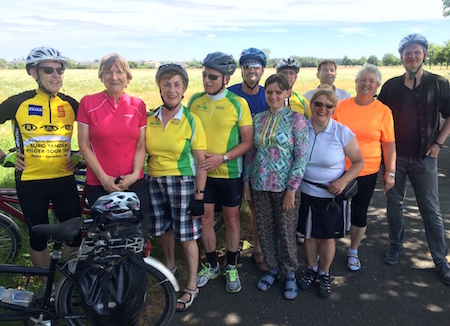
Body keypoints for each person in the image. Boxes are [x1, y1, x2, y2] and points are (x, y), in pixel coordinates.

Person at [0, 47, 81, 284]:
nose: (56, 75)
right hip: (31, 183)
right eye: (49, 70)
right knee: (38, 239)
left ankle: (67, 284)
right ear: (33, 72)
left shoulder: (69, 103)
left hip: (64, 180)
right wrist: (4, 157)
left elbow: (95, 131)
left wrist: (79, 155)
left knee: (74, 237)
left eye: (60, 70)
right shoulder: (19, 102)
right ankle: (49, 290)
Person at [377, 33, 450, 285]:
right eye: (407, 52)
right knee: (394, 205)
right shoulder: (391, 86)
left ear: (425, 54)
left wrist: (439, 143)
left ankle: (440, 259)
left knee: (430, 209)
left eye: (417, 52)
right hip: (395, 159)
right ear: (402, 57)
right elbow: (379, 118)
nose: (412, 56)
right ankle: (396, 245)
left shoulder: (439, 84)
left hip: (424, 158)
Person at [188, 52, 253, 293]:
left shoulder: (238, 103)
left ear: (226, 79)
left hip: (229, 174)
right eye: (204, 75)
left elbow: (247, 142)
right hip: (203, 174)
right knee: (205, 219)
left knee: (232, 219)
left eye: (212, 77)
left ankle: (232, 266)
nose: (206, 80)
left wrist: (222, 158)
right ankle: (213, 264)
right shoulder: (195, 100)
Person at [146, 63, 207, 311]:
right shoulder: (149, 119)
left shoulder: (191, 120)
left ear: (184, 89)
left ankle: (191, 285)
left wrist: (199, 196)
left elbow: (202, 162)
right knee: (163, 230)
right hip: (153, 180)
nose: (172, 89)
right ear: (159, 87)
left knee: (187, 235)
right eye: (166, 84)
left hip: (182, 181)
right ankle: (170, 269)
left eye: (177, 85)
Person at [243, 73, 308, 300]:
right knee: (265, 228)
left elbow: (301, 158)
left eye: (278, 92)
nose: (273, 96)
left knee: (287, 231)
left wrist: (292, 189)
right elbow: (251, 154)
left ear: (287, 93)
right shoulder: (258, 119)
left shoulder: (296, 120)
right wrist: (246, 184)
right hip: (260, 184)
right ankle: (272, 267)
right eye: (269, 92)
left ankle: (289, 272)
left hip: (285, 187)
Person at [297, 87, 364, 298]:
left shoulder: (342, 132)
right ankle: (311, 269)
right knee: (308, 235)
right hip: (305, 192)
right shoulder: (300, 128)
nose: (323, 109)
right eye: (318, 104)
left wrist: (343, 180)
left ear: (334, 108)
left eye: (328, 105)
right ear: (311, 105)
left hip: (330, 197)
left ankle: (324, 273)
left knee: (326, 239)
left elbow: (359, 161)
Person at [333, 63, 396, 272]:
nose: (366, 84)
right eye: (362, 80)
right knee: (333, 211)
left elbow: (388, 143)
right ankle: (328, 247)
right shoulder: (341, 106)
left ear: (377, 85)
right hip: (338, 169)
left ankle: (353, 250)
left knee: (359, 212)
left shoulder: (383, 111)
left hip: (367, 171)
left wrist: (390, 171)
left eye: (371, 81)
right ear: (356, 83)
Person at [77, 53, 149, 216]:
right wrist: (102, 177)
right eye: (108, 72)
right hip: (99, 182)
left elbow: (141, 144)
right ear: (101, 76)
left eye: (119, 72)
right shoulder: (88, 103)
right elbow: (84, 144)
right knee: (106, 237)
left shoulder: (138, 105)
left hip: (133, 181)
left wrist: (134, 174)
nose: (114, 77)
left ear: (127, 77)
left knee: (136, 234)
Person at [228, 47, 268, 271]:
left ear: (262, 70)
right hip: (233, 155)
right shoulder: (232, 94)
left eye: (256, 66)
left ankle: (258, 249)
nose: (251, 70)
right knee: (231, 209)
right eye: (247, 66)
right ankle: (232, 248)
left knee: (256, 207)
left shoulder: (267, 94)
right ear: (241, 70)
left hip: (258, 159)